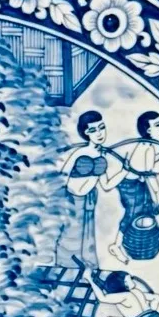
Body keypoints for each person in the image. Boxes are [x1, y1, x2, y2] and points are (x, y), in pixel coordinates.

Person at [56, 111, 129, 268]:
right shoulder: (80, 152)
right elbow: (61, 175)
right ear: (86, 133)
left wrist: (124, 171)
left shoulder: (102, 156)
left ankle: (87, 267)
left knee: (87, 237)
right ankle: (66, 266)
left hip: (88, 200)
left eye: (101, 128)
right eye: (93, 130)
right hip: (71, 200)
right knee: (70, 235)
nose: (99, 133)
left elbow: (106, 185)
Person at [109, 112, 159, 264]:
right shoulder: (147, 148)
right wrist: (158, 197)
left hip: (137, 183)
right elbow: (149, 176)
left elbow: (146, 165)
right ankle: (116, 245)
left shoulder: (147, 146)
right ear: (148, 131)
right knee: (132, 213)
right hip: (131, 186)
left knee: (142, 211)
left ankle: (125, 244)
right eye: (158, 125)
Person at [82, 268, 159, 317]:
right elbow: (156, 297)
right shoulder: (136, 291)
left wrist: (89, 279)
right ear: (124, 284)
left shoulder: (125, 296)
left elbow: (102, 298)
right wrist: (151, 313)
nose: (132, 280)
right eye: (130, 279)